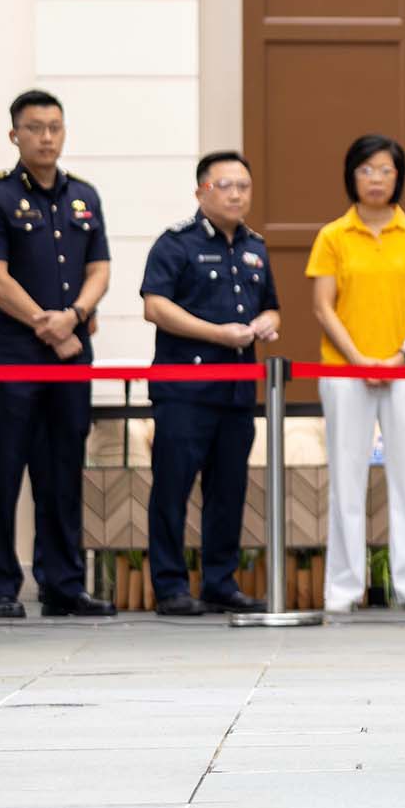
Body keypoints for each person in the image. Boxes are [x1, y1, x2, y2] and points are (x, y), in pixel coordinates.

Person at [0, 89, 115, 618]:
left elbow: (99, 269)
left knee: (62, 471)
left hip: (70, 355)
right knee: (1, 471)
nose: (46, 137)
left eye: (55, 127)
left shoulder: (84, 196)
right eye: (35, 128)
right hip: (11, 354)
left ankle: (64, 583)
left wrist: (75, 317)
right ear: (15, 135)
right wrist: (48, 324)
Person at [307, 134, 405, 614]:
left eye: (385, 170)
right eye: (367, 170)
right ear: (351, 175)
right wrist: (359, 359)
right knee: (347, 478)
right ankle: (343, 589)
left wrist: (401, 354)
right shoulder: (332, 235)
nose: (376, 179)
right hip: (346, 372)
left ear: (399, 176)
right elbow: (324, 307)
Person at [140, 152, 278, 615]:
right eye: (226, 185)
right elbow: (155, 307)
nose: (237, 194)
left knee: (228, 491)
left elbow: (273, 306)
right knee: (172, 490)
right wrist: (217, 333)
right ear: (202, 192)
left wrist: (265, 323)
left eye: (244, 186)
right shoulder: (175, 244)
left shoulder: (256, 247)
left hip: (237, 392)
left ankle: (220, 581)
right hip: (185, 390)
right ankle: (171, 586)